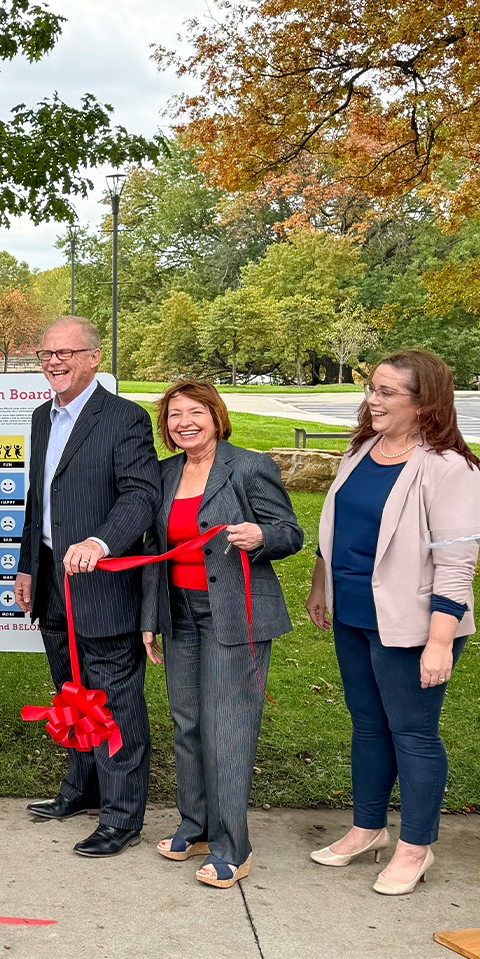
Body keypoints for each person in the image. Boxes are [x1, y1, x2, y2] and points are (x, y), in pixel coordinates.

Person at [306, 349, 480, 895]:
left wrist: (438, 642)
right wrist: (321, 582)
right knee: (368, 727)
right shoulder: (361, 450)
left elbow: (457, 563)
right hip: (354, 614)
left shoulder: (450, 468)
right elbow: (335, 522)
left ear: (424, 402)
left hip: (413, 624)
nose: (372, 401)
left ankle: (415, 847)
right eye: (372, 389)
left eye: (386, 393)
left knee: (413, 734)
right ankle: (368, 829)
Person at [140, 381, 302, 888]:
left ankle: (235, 845)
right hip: (180, 614)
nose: (183, 422)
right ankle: (197, 825)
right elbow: (152, 553)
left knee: (227, 727)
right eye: (173, 415)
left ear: (215, 415)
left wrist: (262, 536)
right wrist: (151, 619)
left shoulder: (249, 466)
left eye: (194, 412)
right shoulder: (165, 474)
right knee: (186, 721)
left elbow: (290, 533)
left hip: (235, 615)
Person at [15, 317, 161, 857]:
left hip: (103, 582)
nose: (54, 362)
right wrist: (29, 564)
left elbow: (141, 496)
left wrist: (101, 542)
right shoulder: (40, 417)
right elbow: (41, 499)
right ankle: (83, 789)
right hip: (52, 576)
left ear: (94, 358)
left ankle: (122, 818)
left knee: (115, 700)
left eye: (66, 353)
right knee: (71, 694)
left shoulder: (124, 419)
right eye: (46, 353)